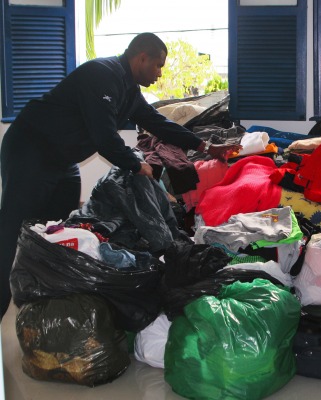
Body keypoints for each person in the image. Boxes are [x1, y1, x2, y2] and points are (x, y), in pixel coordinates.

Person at [0, 32, 241, 319]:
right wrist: (136, 164)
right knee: (13, 226)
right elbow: (103, 136)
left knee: (60, 229)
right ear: (141, 57)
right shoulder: (102, 74)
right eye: (158, 65)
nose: (160, 73)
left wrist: (205, 146)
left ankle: (48, 297)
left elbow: (157, 122)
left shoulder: (128, 89)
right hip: (31, 149)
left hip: (61, 161)